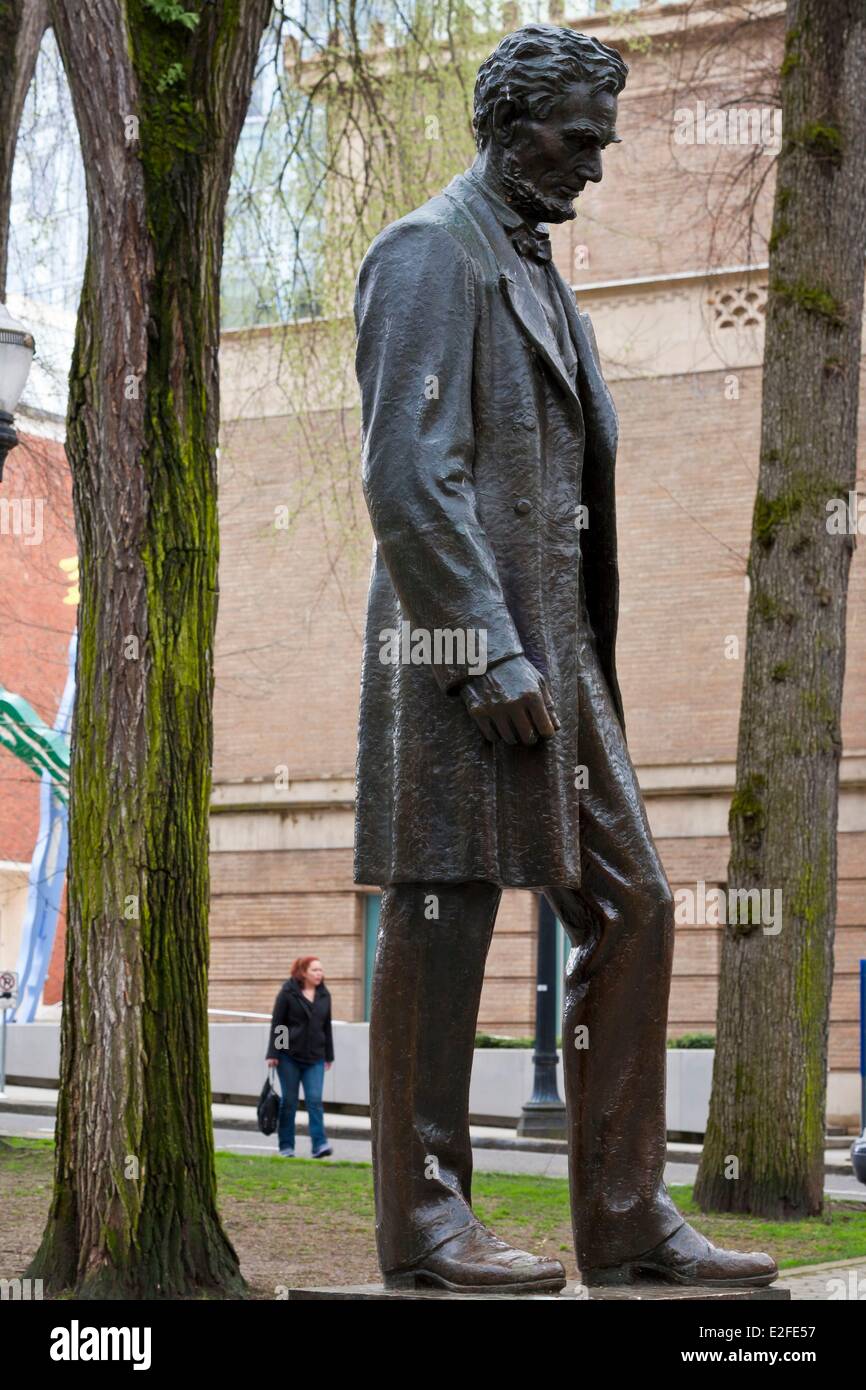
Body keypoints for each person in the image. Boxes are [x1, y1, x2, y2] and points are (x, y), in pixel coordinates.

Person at [352, 24, 778, 1292]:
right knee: (442, 914)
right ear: (508, 121)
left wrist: (553, 652)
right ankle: (427, 1224)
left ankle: (626, 1213)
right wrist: (481, 652)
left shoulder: (537, 271)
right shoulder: (432, 250)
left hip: (562, 651)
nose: (592, 163)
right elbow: (406, 476)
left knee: (635, 900)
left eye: (600, 137)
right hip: (460, 651)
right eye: (575, 136)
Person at [266, 956, 334, 1158]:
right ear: (303, 972)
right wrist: (275, 1053)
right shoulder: (288, 993)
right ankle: (286, 1147)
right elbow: (279, 1024)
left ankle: (319, 1145)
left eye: (321, 970)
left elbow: (326, 1026)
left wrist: (328, 1055)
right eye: (315, 970)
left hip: (315, 1057)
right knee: (290, 1101)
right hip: (288, 1058)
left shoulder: (324, 995)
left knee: (315, 1101)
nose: (319, 974)